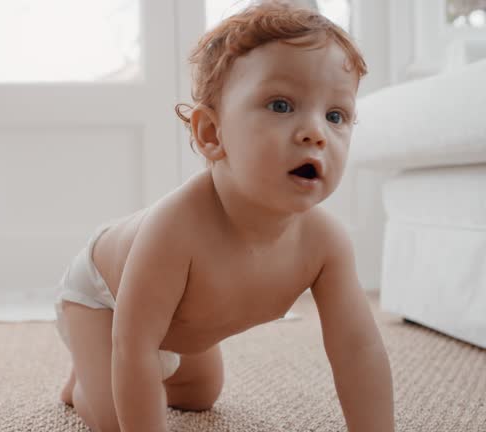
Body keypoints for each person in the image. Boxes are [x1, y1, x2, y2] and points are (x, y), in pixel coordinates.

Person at [53, 2, 394, 431]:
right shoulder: (176, 230)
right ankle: (83, 381)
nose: (315, 132)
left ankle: (106, 368)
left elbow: (357, 347)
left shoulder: (326, 244)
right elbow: (134, 346)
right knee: (114, 416)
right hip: (105, 296)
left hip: (180, 321)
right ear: (212, 134)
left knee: (199, 395)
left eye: (335, 115)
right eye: (281, 105)